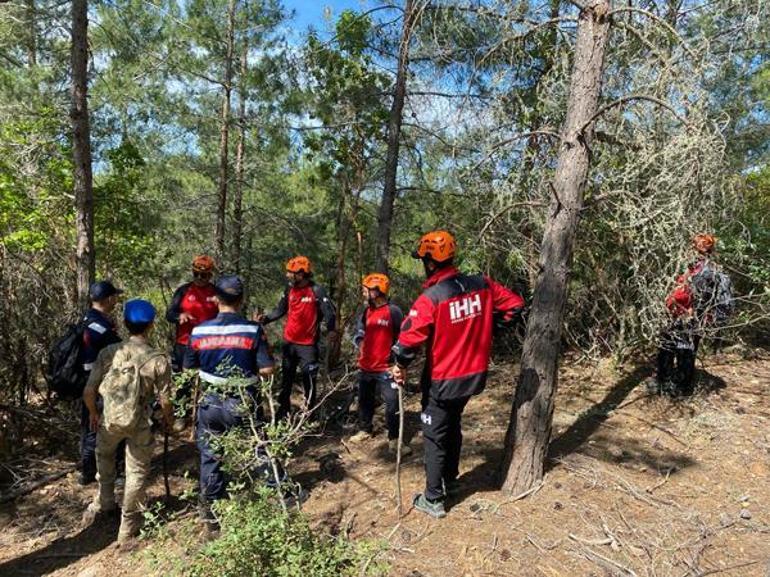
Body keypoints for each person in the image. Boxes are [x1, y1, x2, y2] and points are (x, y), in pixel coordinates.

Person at [391, 230, 525, 518]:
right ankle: (449, 480)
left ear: (429, 262)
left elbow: (407, 342)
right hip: (473, 378)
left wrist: (399, 364)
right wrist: (489, 328)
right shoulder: (481, 284)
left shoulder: (432, 297)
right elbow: (515, 305)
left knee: (434, 434)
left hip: (443, 380)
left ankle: (434, 498)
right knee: (451, 425)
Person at [184, 275, 275, 531]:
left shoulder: (199, 331)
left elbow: (188, 367)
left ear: (216, 299)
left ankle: (211, 515)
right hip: (243, 402)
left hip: (210, 403)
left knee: (211, 455)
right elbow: (267, 369)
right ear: (242, 299)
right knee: (258, 448)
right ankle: (279, 496)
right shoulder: (252, 330)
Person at [82, 299, 174, 548]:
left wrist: (94, 414)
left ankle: (106, 502)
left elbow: (89, 391)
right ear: (152, 325)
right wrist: (169, 421)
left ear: (124, 323)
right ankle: (127, 528)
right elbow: (166, 401)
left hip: (110, 419)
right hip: (139, 422)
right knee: (136, 472)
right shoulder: (158, 359)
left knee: (104, 455)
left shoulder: (108, 353)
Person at [652, 233, 733, 397]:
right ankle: (670, 383)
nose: (693, 248)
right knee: (676, 348)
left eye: (696, 245)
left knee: (680, 349)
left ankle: (678, 387)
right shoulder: (700, 266)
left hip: (688, 316)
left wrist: (674, 300)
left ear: (700, 247)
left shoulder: (704, 270)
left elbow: (689, 293)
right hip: (686, 316)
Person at [258, 256, 336, 419]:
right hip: (289, 343)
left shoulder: (317, 290)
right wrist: (265, 319)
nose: (288, 276)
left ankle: (310, 413)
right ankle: (283, 409)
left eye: (291, 273)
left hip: (308, 345)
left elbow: (329, 312)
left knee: (309, 379)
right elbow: (280, 310)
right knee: (287, 378)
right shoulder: (289, 289)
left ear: (301, 274)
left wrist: (331, 330)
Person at [350, 273, 411, 456]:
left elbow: (405, 337)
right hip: (366, 367)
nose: (363, 292)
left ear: (376, 291)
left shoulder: (394, 311)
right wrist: (361, 346)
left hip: (387, 368)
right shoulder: (366, 312)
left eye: (366, 289)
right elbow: (358, 332)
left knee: (392, 404)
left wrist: (400, 363)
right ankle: (365, 429)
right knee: (365, 400)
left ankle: (394, 440)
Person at [165, 255, 219, 430]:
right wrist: (179, 316)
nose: (199, 279)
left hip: (209, 345)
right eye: (196, 274)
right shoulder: (183, 290)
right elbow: (169, 314)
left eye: (204, 276)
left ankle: (207, 415)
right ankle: (181, 414)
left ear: (210, 275)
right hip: (184, 343)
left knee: (209, 381)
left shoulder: (217, 293)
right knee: (183, 381)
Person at [78, 280, 124, 485]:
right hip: (97, 383)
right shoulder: (101, 328)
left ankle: (88, 471)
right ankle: (102, 472)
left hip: (88, 380)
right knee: (100, 424)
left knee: (91, 423)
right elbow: (119, 349)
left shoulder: (87, 318)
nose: (116, 300)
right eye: (114, 296)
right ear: (108, 299)